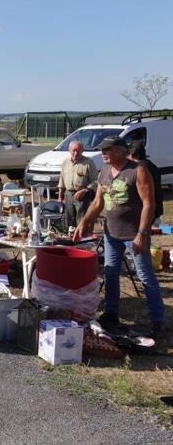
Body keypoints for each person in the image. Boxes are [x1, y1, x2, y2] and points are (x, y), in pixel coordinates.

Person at [73, 137, 164, 336]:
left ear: (122, 150)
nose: (104, 153)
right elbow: (98, 202)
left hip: (134, 233)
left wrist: (142, 233)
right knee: (111, 272)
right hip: (111, 233)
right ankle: (111, 314)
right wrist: (84, 221)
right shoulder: (103, 172)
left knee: (145, 275)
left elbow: (149, 204)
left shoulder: (137, 170)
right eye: (102, 150)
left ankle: (157, 320)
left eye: (108, 149)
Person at [58, 140, 97, 227]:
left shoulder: (88, 162)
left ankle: (81, 238)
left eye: (78, 151)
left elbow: (95, 181)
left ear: (82, 151)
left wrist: (84, 190)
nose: (75, 153)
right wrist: (60, 197)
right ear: (69, 150)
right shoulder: (65, 162)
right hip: (68, 194)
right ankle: (69, 239)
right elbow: (62, 180)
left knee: (81, 219)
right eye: (73, 150)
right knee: (68, 219)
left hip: (83, 195)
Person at [129, 140, 163, 225]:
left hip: (144, 212)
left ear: (131, 155)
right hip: (155, 210)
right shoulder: (152, 165)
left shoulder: (140, 169)